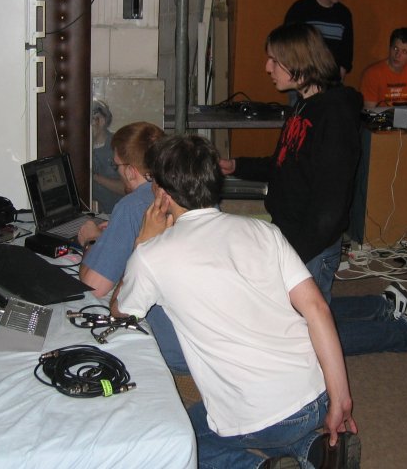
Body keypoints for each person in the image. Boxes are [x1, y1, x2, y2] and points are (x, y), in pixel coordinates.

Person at [113, 134, 360, 469]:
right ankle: (314, 450)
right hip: (318, 394)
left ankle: (257, 466)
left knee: (177, 439)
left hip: (264, 415)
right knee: (261, 421)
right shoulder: (264, 232)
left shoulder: (151, 256)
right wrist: (341, 398)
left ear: (163, 195)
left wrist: (141, 244)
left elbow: (120, 312)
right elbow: (317, 309)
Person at [220, 23, 407, 354]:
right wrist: (237, 166)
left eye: (274, 60)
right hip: (292, 233)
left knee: (303, 339)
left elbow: (330, 208)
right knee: (301, 312)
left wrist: (293, 256)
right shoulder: (304, 105)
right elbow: (284, 164)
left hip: (311, 243)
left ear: (299, 62)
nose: (267, 67)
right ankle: (385, 306)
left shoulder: (333, 115)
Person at [76, 121, 188, 374]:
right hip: (207, 342)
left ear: (130, 171)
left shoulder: (132, 206)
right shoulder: (192, 193)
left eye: (116, 165)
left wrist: (91, 241)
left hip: (173, 351)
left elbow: (94, 287)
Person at [285, 0, 354, 79]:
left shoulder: (344, 14)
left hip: (331, 79)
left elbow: (346, 51)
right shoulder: (300, 9)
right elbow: (288, 44)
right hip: (303, 76)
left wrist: (340, 77)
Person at [360, 27, 407, 109]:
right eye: (395, 48)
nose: (397, 55)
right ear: (390, 47)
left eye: (404, 52)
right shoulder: (372, 73)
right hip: (380, 117)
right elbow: (369, 110)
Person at [90, 100, 123, 213]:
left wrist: (95, 177)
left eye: (92, 120)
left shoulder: (117, 146)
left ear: (102, 121)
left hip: (114, 213)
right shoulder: (82, 148)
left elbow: (127, 188)